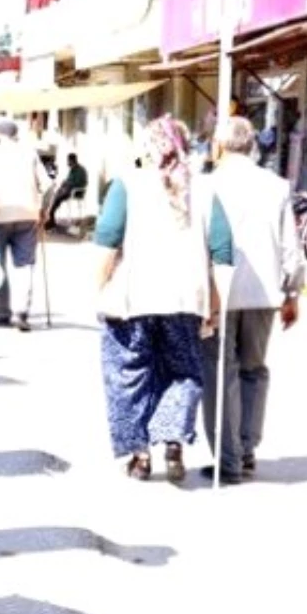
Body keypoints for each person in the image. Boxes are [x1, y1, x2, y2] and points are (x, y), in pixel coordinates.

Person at [93, 115, 233, 484]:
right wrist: (214, 308)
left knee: (128, 374)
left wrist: (98, 287)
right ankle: (172, 441)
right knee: (183, 372)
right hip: (186, 300)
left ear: (147, 148)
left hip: (131, 299)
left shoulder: (126, 184)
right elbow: (222, 253)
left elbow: (106, 243)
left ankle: (140, 455)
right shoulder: (204, 190)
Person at [198, 114, 304, 484]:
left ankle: (229, 459)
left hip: (219, 292)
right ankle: (246, 450)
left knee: (219, 373)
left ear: (220, 145)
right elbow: (291, 247)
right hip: (263, 296)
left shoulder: (206, 185)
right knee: (253, 370)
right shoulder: (275, 186)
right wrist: (292, 292)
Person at [0, 117, 48, 332]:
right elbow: (48, 184)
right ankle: (21, 312)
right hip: (28, 214)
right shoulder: (30, 154)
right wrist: (45, 210)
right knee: (24, 265)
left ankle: (2, 314)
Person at [45, 151, 88, 228]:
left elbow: (79, 183)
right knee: (55, 195)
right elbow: (69, 179)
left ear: (72, 161)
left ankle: (51, 218)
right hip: (69, 190)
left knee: (58, 197)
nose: (67, 163)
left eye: (68, 161)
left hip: (77, 191)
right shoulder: (72, 169)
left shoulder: (80, 170)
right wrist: (64, 182)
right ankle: (51, 217)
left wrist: (68, 184)